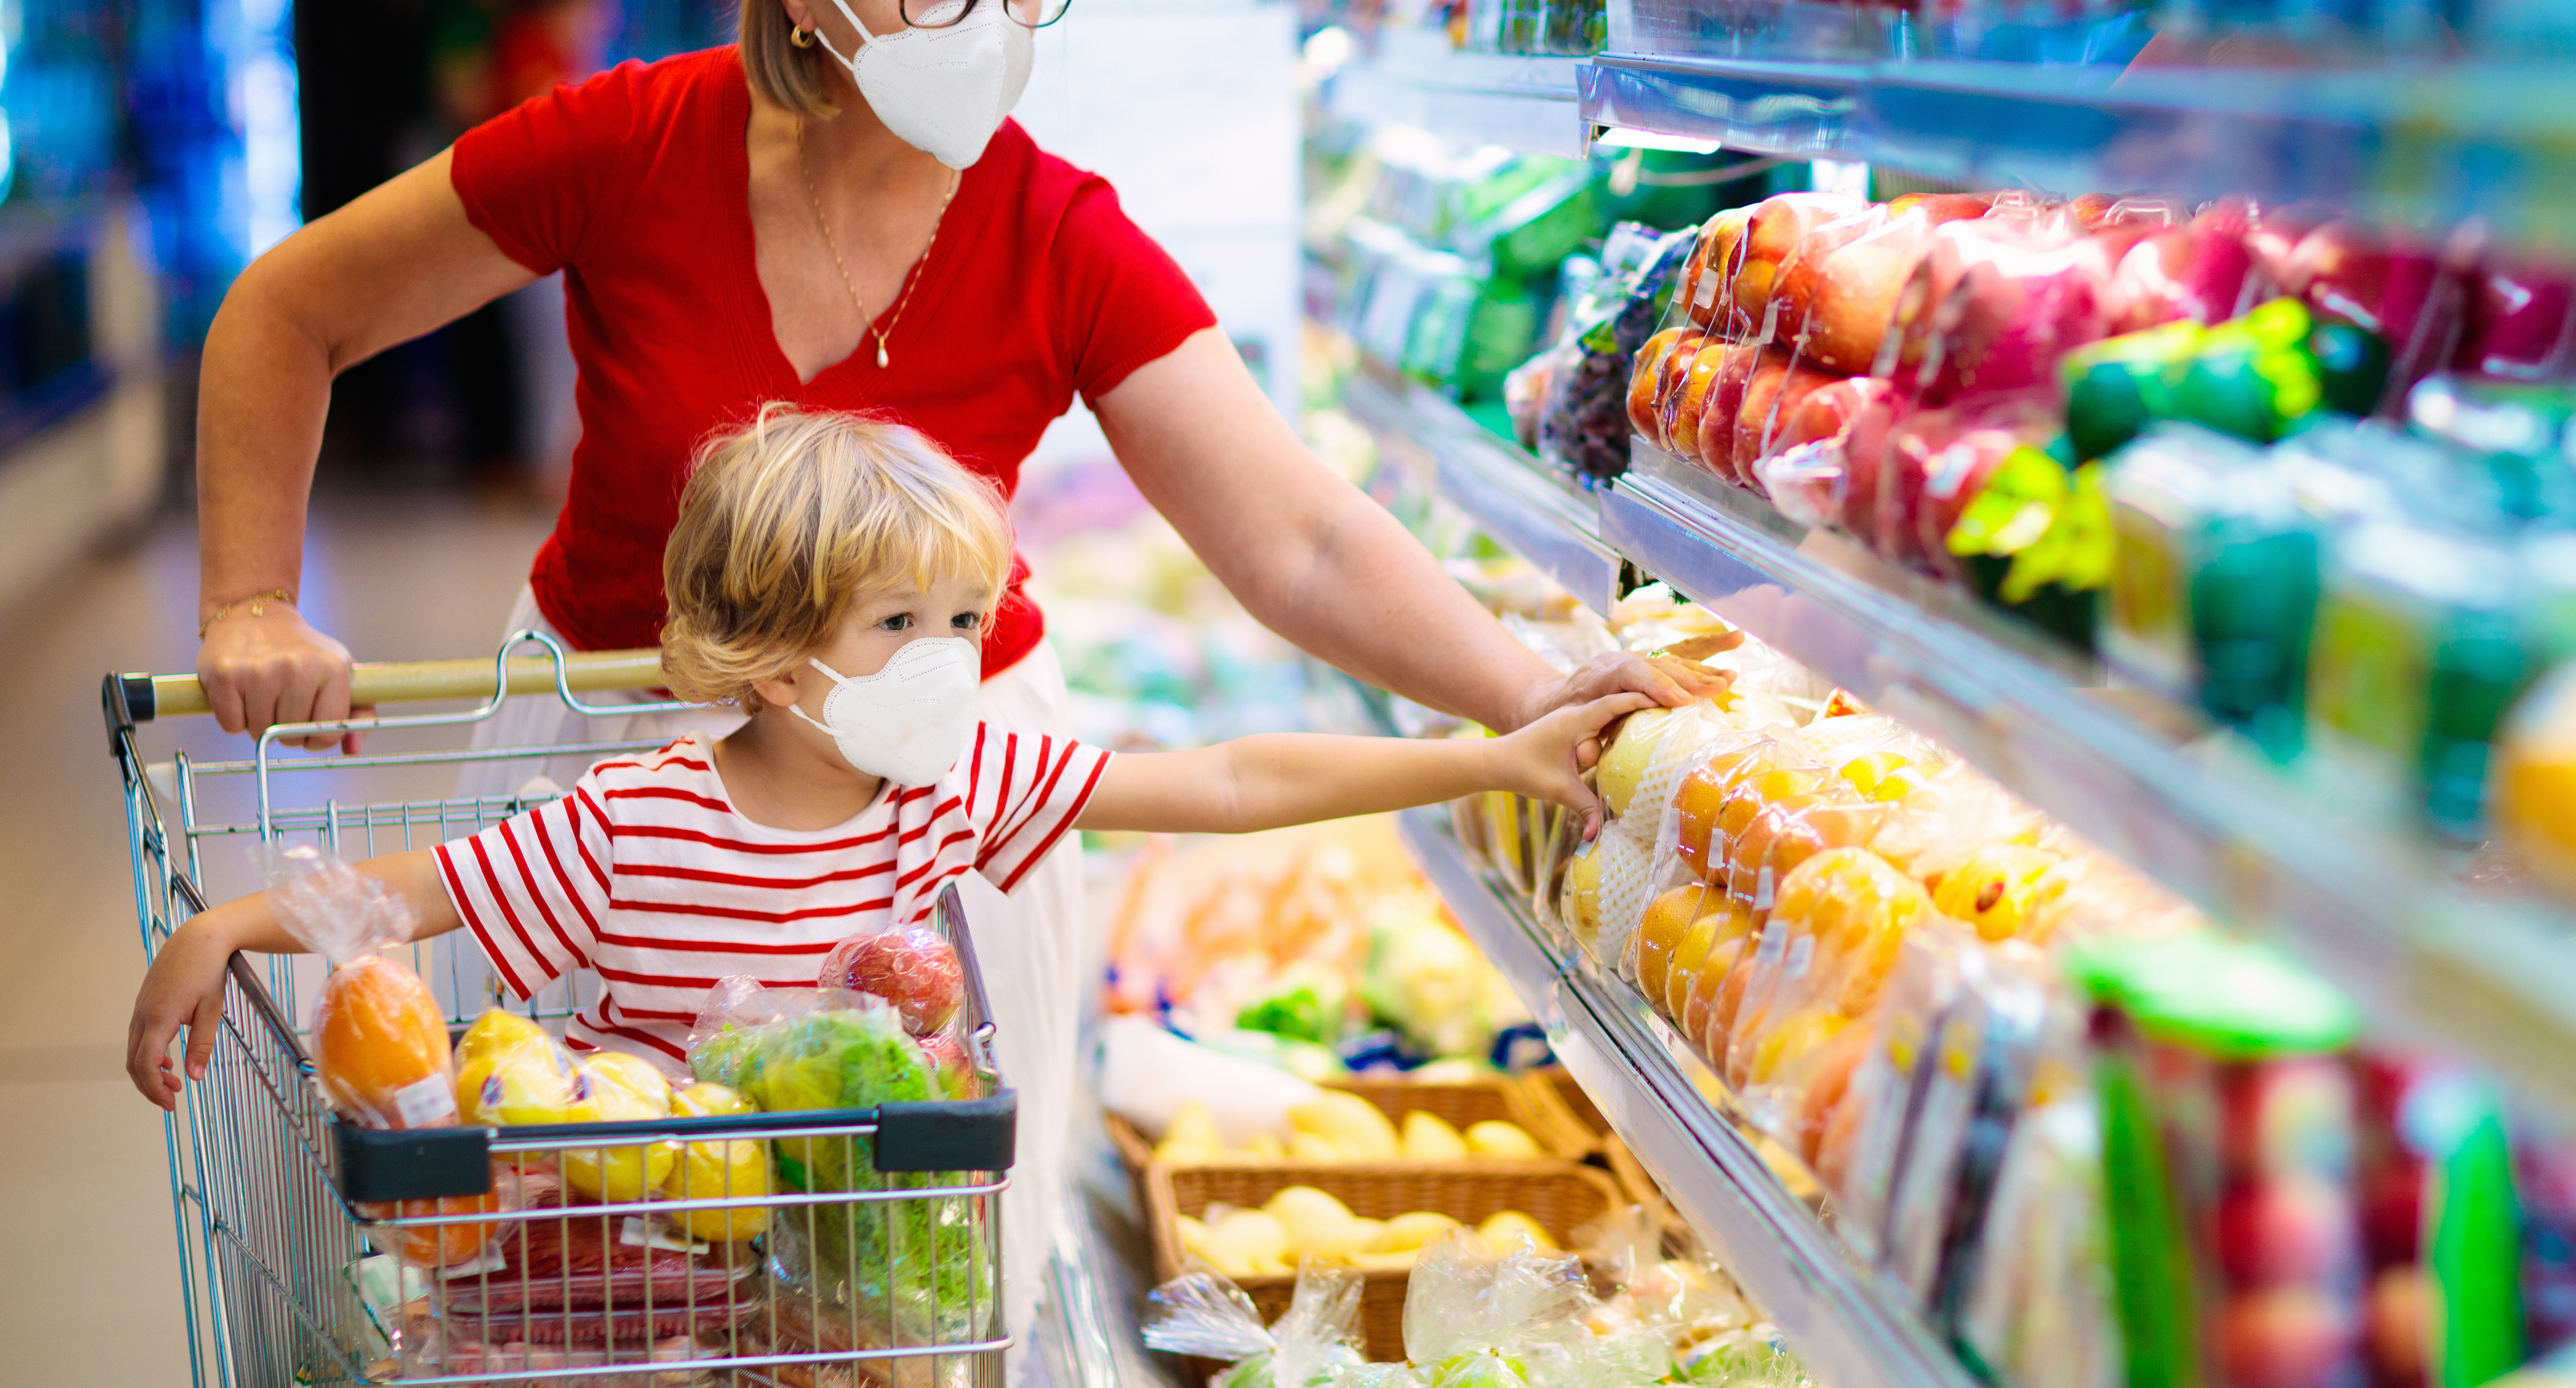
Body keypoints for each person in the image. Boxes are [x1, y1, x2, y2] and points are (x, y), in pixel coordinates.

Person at [184, 0, 1717, 981]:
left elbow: (1296, 534)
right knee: (586, 1227)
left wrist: (1533, 690)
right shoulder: (628, 144)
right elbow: (288, 312)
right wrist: (252, 596)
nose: (988, 26)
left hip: (933, 775)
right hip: (611, 754)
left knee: (897, 1285)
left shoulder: (1054, 231)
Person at [126, 407, 1643, 1107]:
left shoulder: (956, 781)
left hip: (868, 1279)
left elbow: (1232, 782)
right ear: (774, 660)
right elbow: (420, 891)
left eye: (969, 618)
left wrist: (1492, 757)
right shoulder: (631, 821)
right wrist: (224, 924)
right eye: (899, 621)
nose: (951, 657)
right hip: (648, 1272)